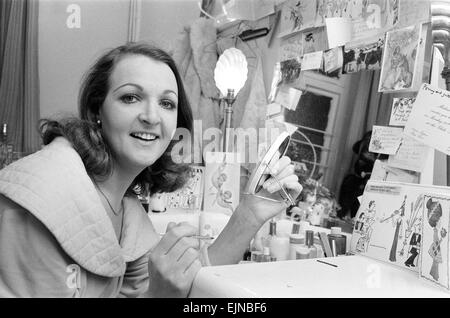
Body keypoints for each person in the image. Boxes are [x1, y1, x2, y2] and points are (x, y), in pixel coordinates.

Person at [0, 42, 301, 297]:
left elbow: (187, 285)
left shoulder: (125, 208)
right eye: (130, 97)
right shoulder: (44, 199)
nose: (151, 117)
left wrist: (249, 215)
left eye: (167, 104)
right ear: (96, 110)